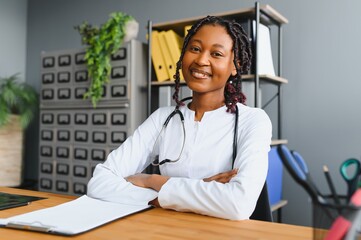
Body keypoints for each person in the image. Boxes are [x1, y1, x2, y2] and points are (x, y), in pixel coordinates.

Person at [87, 15, 272, 220]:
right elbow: (98, 183)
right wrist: (200, 189)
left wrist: (152, 181)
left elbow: (238, 204)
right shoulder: (162, 118)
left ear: (235, 65)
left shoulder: (253, 121)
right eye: (195, 49)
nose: (201, 60)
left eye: (217, 53)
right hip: (166, 229)